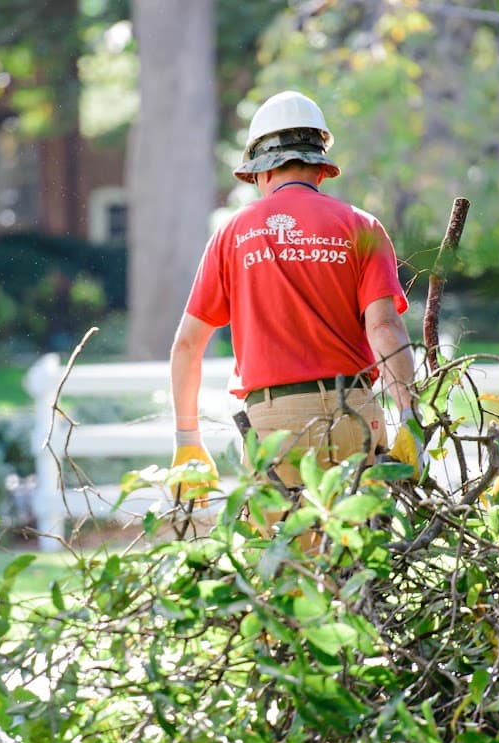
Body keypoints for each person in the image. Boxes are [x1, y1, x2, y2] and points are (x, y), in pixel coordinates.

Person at [168, 90, 422, 501]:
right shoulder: (362, 227)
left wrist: (187, 441)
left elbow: (186, 345)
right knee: (357, 554)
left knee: (287, 557)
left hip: (276, 425)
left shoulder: (232, 236)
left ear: (261, 172)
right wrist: (409, 416)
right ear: (319, 168)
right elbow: (384, 327)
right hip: (355, 414)